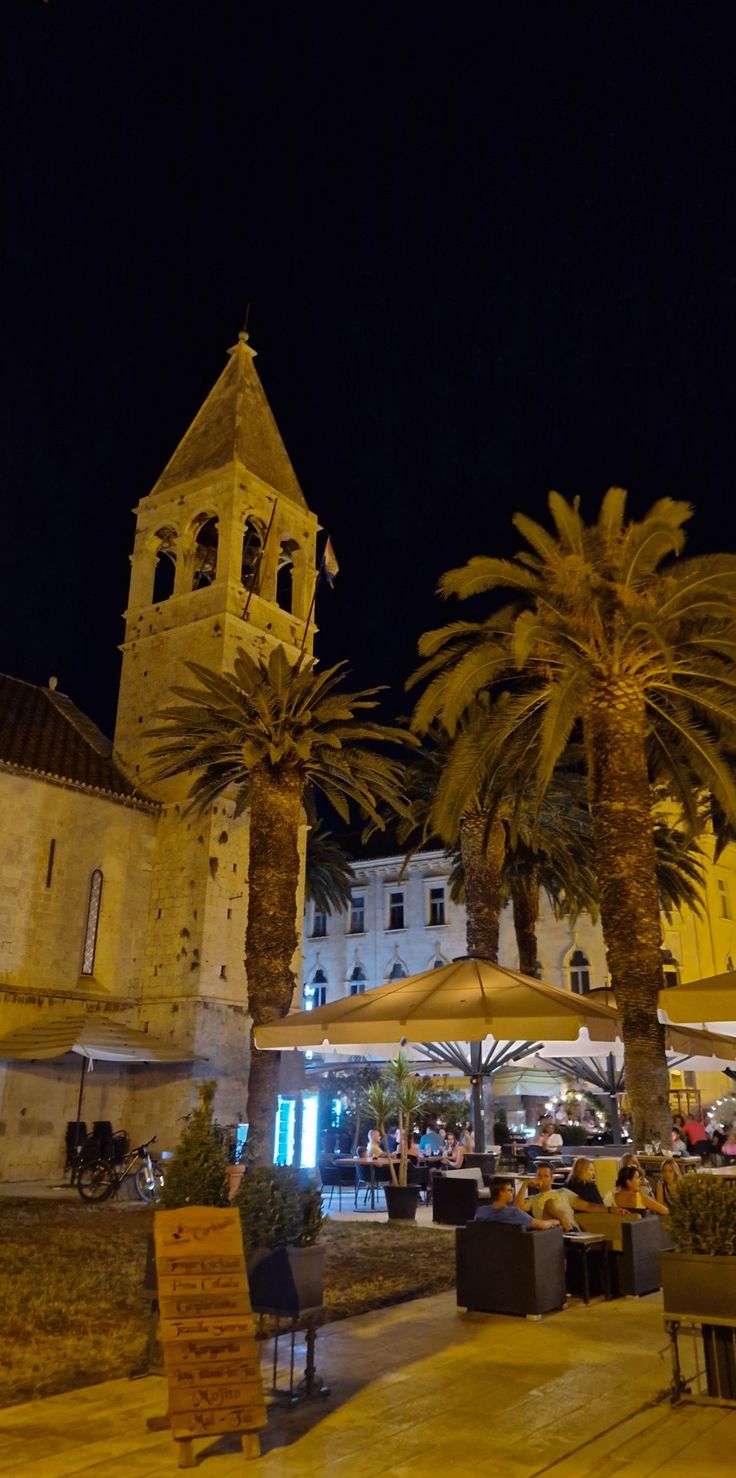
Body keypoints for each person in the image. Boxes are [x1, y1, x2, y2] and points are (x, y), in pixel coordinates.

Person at [515, 1162, 590, 1232]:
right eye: (539, 1176)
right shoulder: (533, 1199)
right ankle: (569, 1229)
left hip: (573, 1228)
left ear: (552, 1179)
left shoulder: (563, 1192)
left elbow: (587, 1206)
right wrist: (525, 1183)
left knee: (550, 1203)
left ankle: (570, 1230)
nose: (542, 1179)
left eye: (546, 1176)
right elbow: (518, 1208)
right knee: (549, 1203)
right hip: (552, 1233)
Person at [475, 1177, 558, 1230]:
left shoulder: (481, 1211)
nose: (512, 1192)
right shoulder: (513, 1213)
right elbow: (541, 1225)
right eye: (509, 1190)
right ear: (500, 1193)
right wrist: (553, 1222)